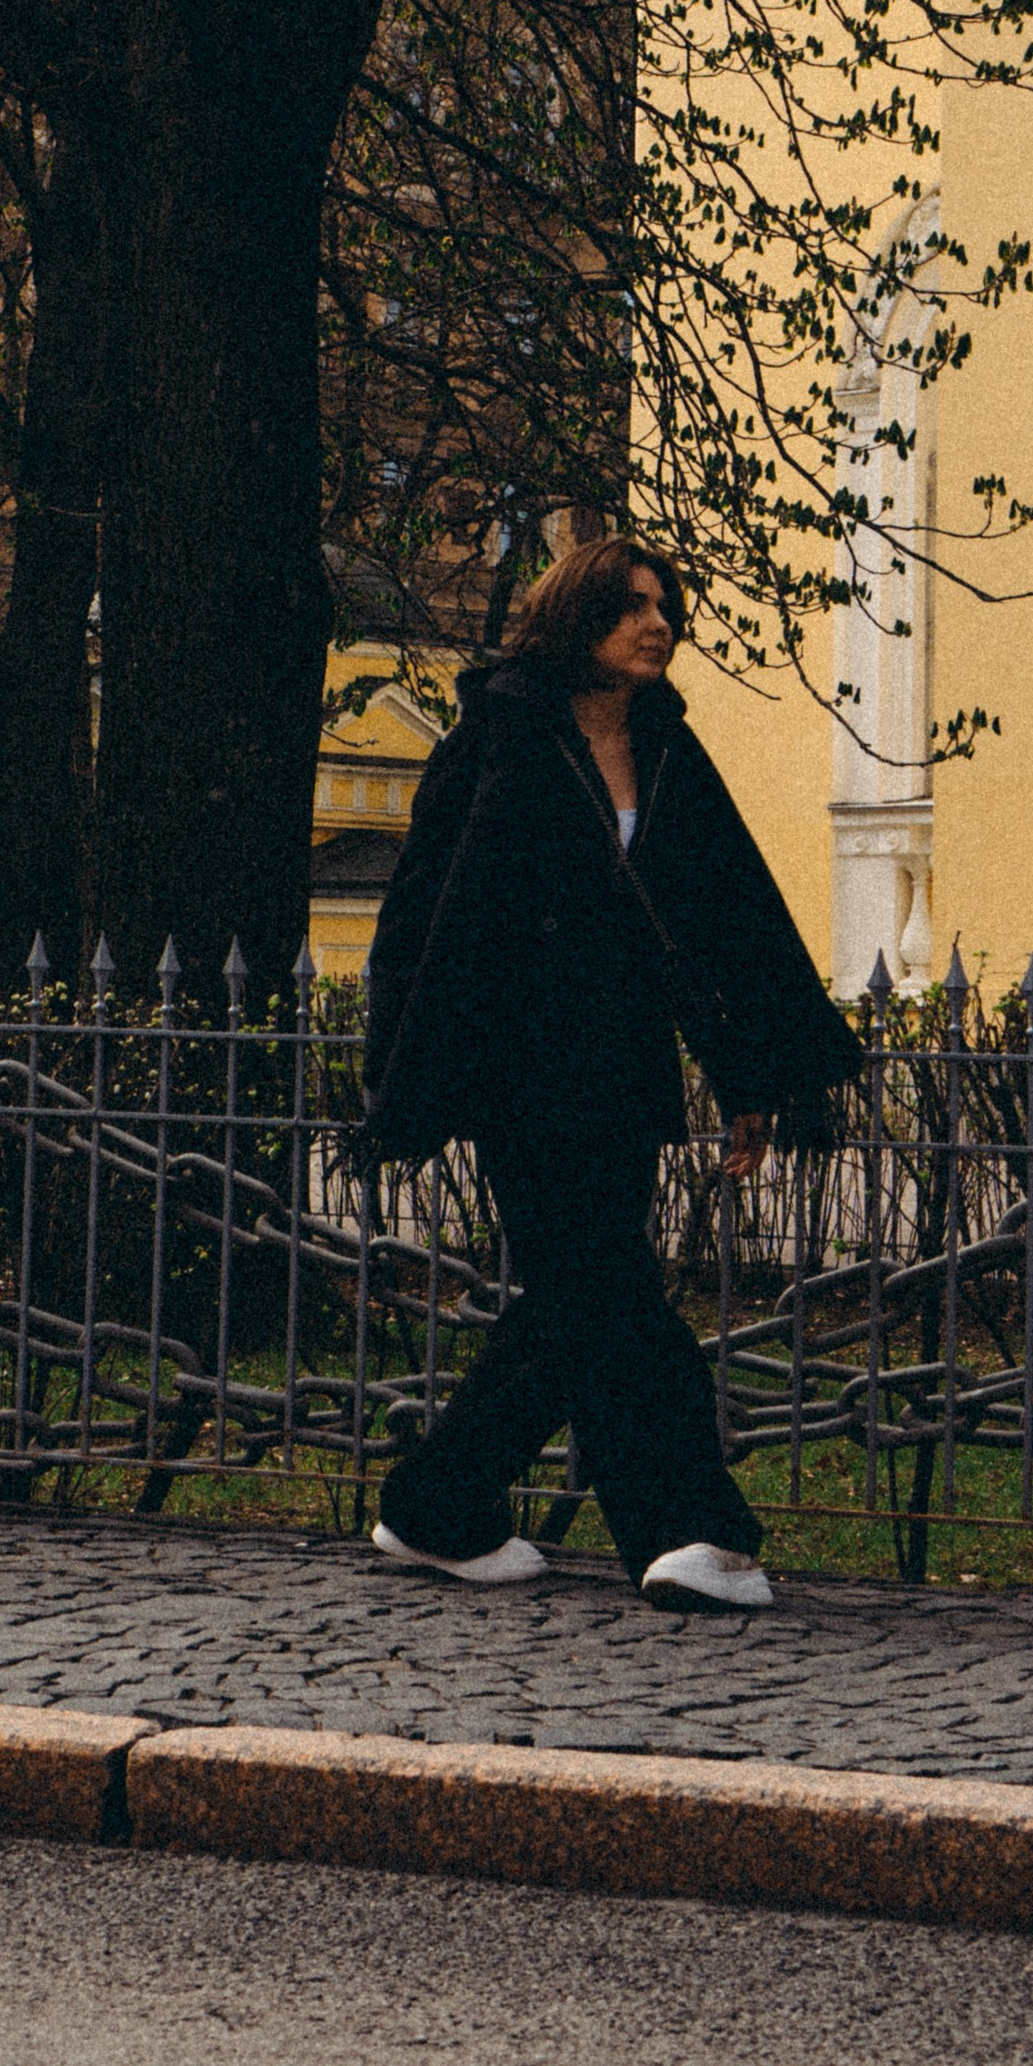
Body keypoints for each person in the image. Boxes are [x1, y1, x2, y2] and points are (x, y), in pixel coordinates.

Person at [361, 536, 861, 1613]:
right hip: (518, 1070)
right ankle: (689, 1529)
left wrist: (749, 1078)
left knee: (573, 1300)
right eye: (632, 605)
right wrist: (405, 1072)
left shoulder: (667, 747)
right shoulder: (496, 740)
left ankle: (435, 1504)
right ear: (575, 615)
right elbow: (417, 919)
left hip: (625, 1068)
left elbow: (729, 919)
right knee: (615, 1291)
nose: (658, 623)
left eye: (665, 606)